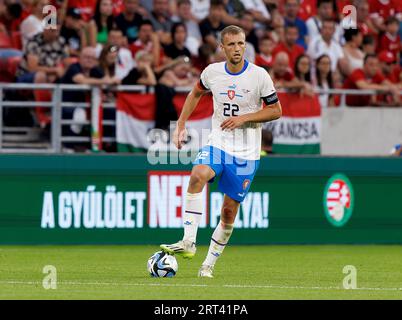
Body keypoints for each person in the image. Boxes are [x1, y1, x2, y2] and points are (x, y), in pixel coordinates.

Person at [160, 25, 282, 278]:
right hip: (219, 143)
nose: (237, 49)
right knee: (197, 175)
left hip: (247, 152)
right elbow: (195, 93)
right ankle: (189, 241)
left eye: (241, 43)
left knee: (228, 212)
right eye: (232, 45)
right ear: (222, 47)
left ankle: (209, 264)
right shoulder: (212, 72)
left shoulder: (259, 76)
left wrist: (244, 118)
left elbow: (276, 110)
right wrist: (180, 124)